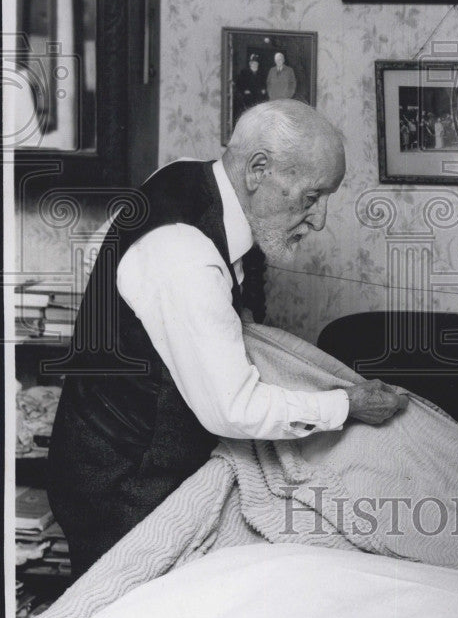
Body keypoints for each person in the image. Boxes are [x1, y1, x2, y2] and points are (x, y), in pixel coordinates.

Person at [47, 100, 408, 578]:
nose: (319, 220)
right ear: (258, 170)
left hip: (116, 459)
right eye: (311, 196)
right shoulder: (186, 256)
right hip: (121, 488)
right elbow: (233, 409)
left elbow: (101, 250)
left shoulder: (182, 176)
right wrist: (345, 405)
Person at [233, 52, 267, 121]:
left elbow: (265, 83)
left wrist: (264, 89)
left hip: (259, 97)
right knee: (248, 114)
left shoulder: (262, 73)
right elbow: (238, 84)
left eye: (256, 63)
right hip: (248, 98)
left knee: (258, 114)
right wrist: (244, 90)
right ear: (250, 63)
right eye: (253, 63)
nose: (255, 64)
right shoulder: (244, 72)